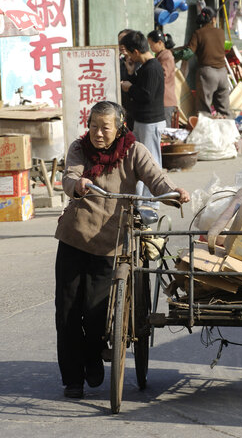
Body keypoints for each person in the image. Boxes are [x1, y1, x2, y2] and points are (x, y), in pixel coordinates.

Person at [55, 101, 190, 399]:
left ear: (120, 128)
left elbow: (156, 178)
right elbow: (69, 176)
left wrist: (175, 192)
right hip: (74, 238)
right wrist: (78, 184)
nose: (98, 133)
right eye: (93, 126)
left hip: (113, 242)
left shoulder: (134, 151)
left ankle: (92, 357)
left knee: (95, 313)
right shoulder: (79, 148)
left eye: (105, 127)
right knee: (66, 311)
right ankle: (72, 379)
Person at [120, 30, 166, 207]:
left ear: (136, 52)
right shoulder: (144, 68)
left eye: (130, 53)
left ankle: (152, 202)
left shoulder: (153, 68)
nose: (130, 57)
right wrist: (131, 74)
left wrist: (130, 87)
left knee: (150, 161)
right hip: (141, 121)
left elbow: (146, 95)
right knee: (139, 161)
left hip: (151, 122)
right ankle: (140, 199)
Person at [178, 6, 231, 117]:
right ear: (213, 19)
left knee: (204, 111)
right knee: (224, 110)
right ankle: (230, 132)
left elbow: (188, 53)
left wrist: (172, 53)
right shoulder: (221, 32)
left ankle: (205, 133)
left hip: (207, 74)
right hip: (222, 73)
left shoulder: (198, 33)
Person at [147, 30, 177, 127]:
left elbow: (163, 76)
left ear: (160, 43)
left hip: (166, 100)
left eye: (152, 45)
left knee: (164, 131)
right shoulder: (160, 55)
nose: (151, 48)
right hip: (162, 99)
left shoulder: (166, 56)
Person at [118, 28, 135, 130]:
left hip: (135, 108)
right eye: (120, 42)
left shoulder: (139, 62)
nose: (121, 45)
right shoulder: (117, 61)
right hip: (121, 105)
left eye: (124, 41)